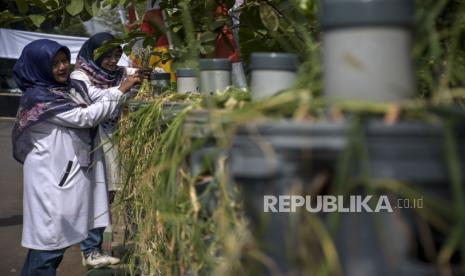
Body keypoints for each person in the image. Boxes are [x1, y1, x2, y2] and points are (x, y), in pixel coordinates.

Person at [12, 39, 140, 275]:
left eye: (64, 61)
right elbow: (85, 117)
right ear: (38, 66)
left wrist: (125, 85)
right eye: (54, 63)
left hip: (66, 174)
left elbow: (98, 98)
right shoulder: (40, 97)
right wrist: (121, 89)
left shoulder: (68, 87)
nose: (62, 67)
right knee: (49, 245)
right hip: (51, 179)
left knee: (52, 246)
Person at [71, 32, 148, 268]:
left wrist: (137, 78)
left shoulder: (115, 75)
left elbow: (124, 88)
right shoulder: (79, 75)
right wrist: (124, 87)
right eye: (108, 55)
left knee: (109, 193)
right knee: (95, 194)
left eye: (117, 55)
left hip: (111, 138)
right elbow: (96, 97)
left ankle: (93, 247)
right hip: (91, 140)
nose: (113, 61)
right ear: (96, 54)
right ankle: (90, 249)